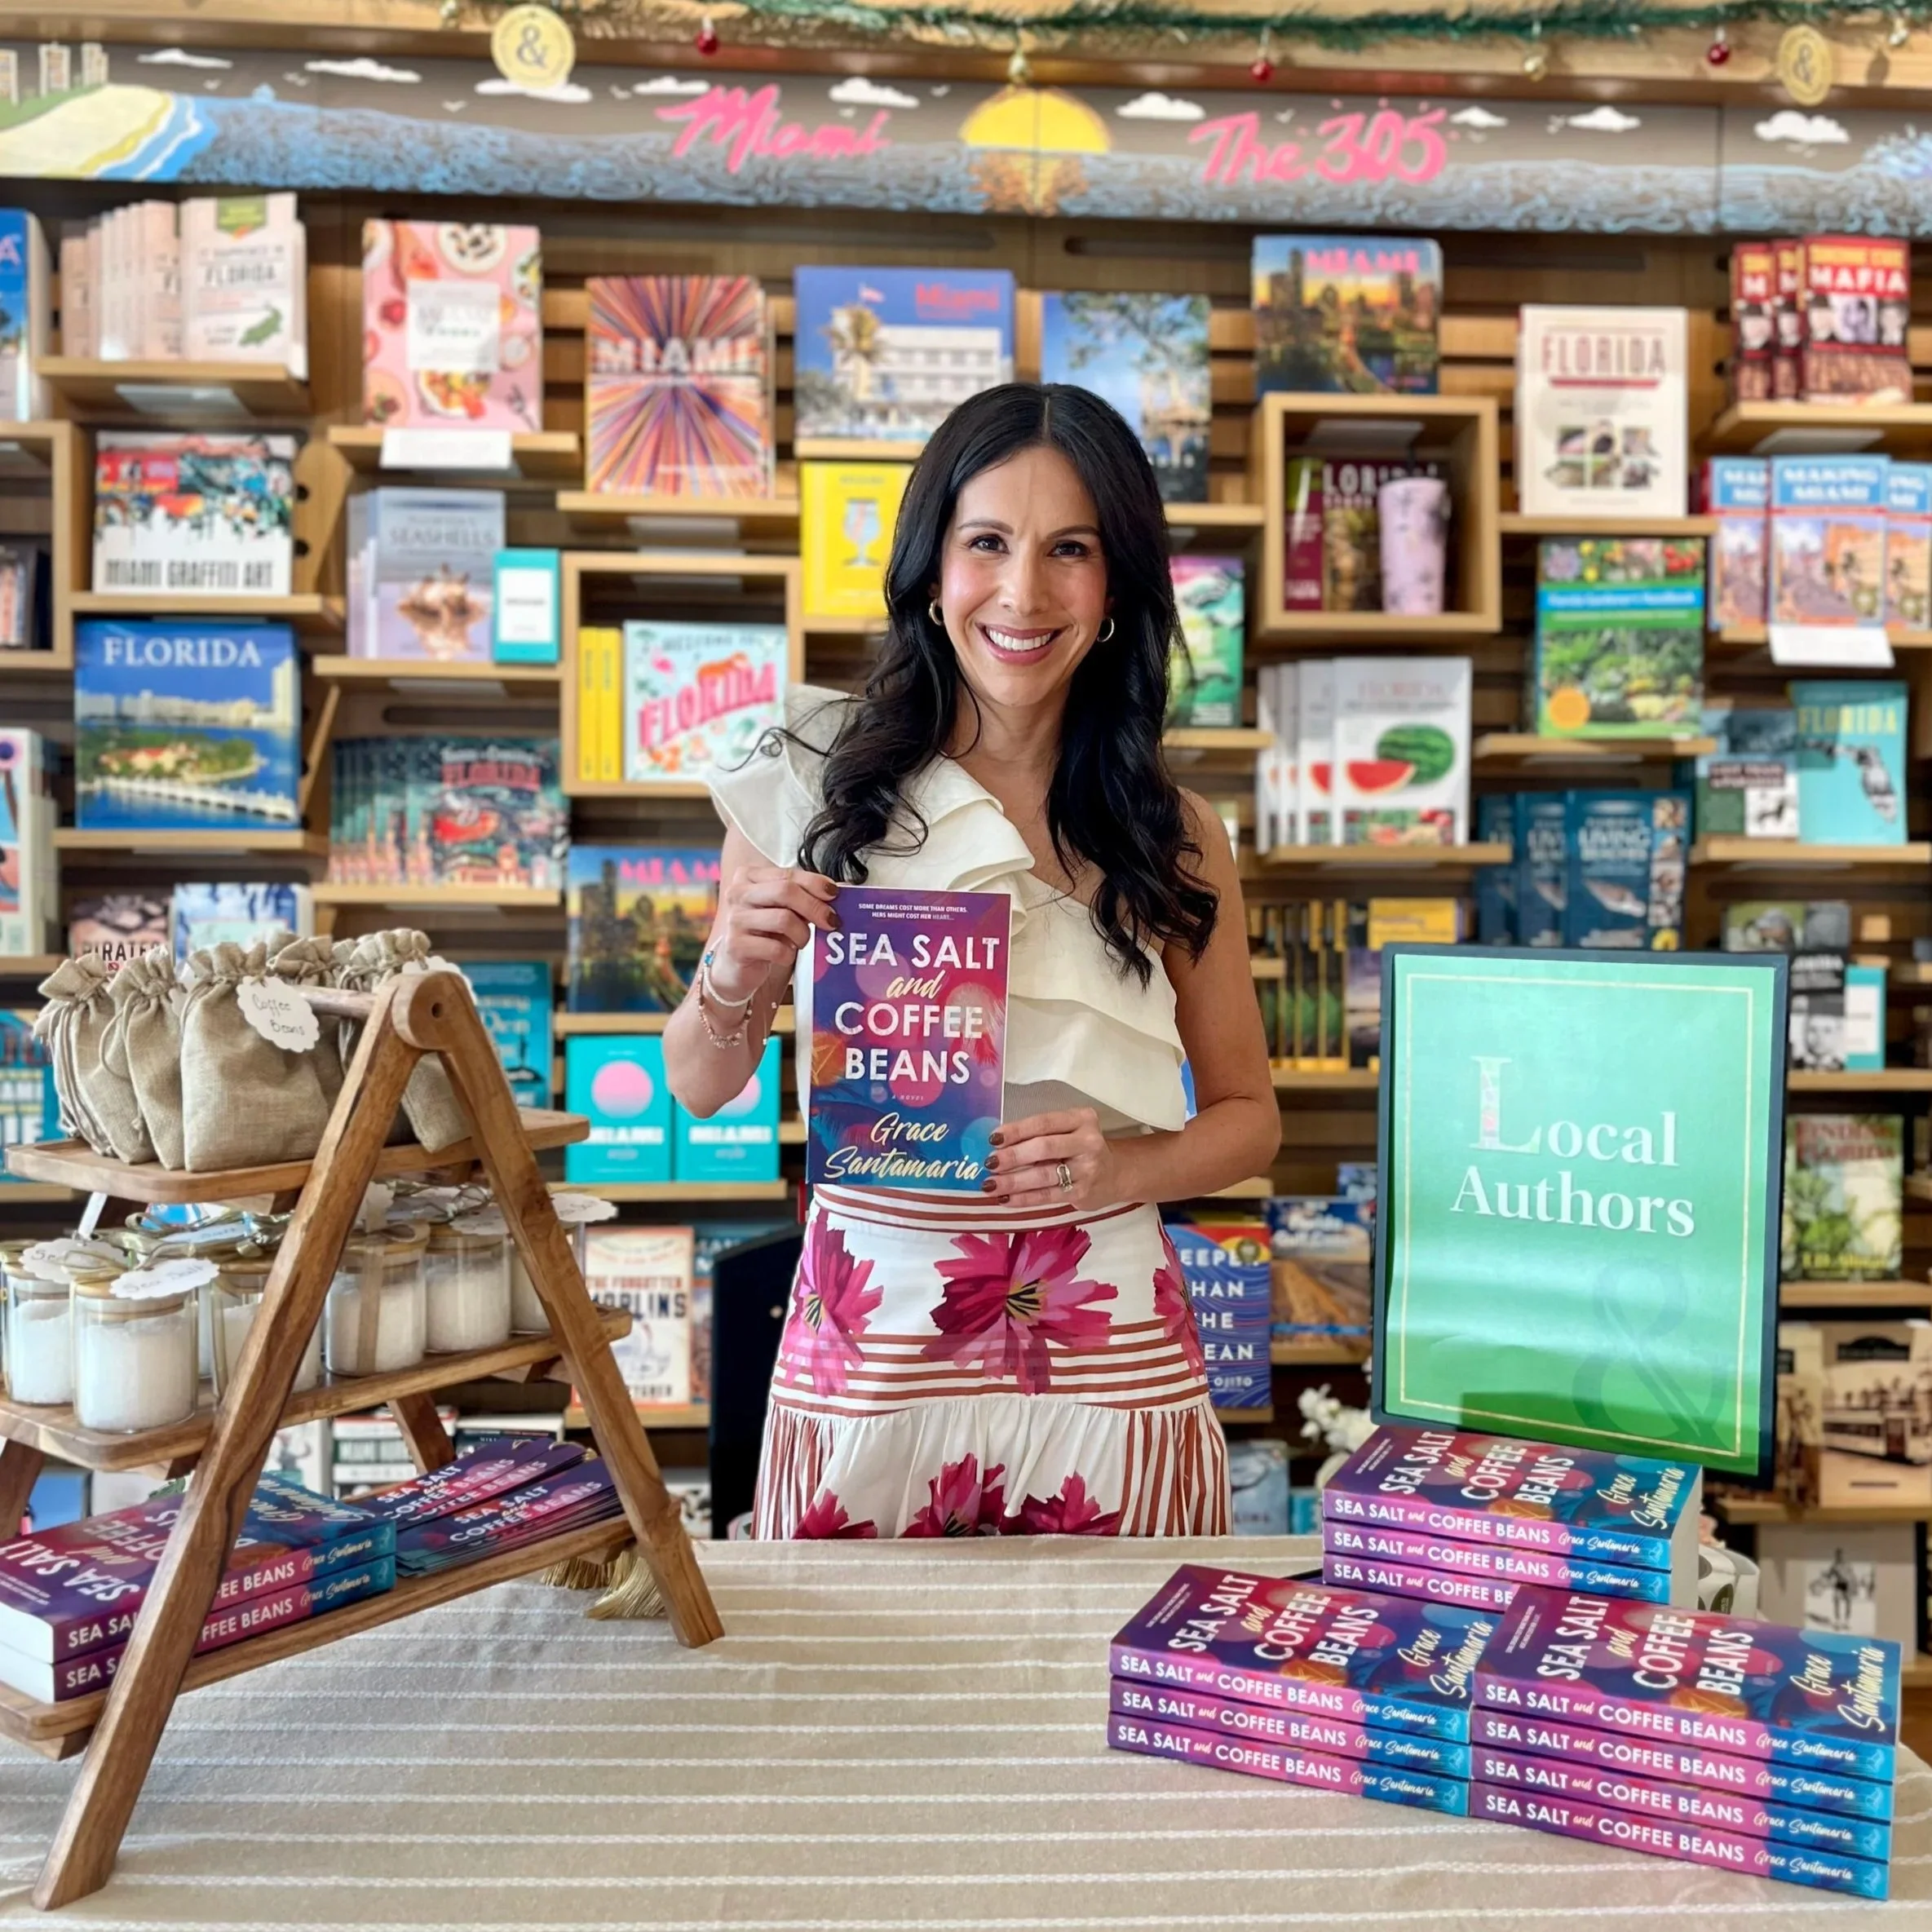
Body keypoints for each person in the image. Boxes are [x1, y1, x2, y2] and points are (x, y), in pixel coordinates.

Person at [664, 382, 1280, 1539]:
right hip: (870, 1347)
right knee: (847, 1704)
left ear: (1117, 589)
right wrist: (731, 981)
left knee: (1097, 1709)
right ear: (931, 567)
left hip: (1109, 1350)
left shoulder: (1173, 831)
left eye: (1070, 551)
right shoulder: (811, 778)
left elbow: (1250, 1117)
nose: (1023, 592)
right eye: (987, 542)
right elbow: (700, 1080)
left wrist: (1124, 1169)